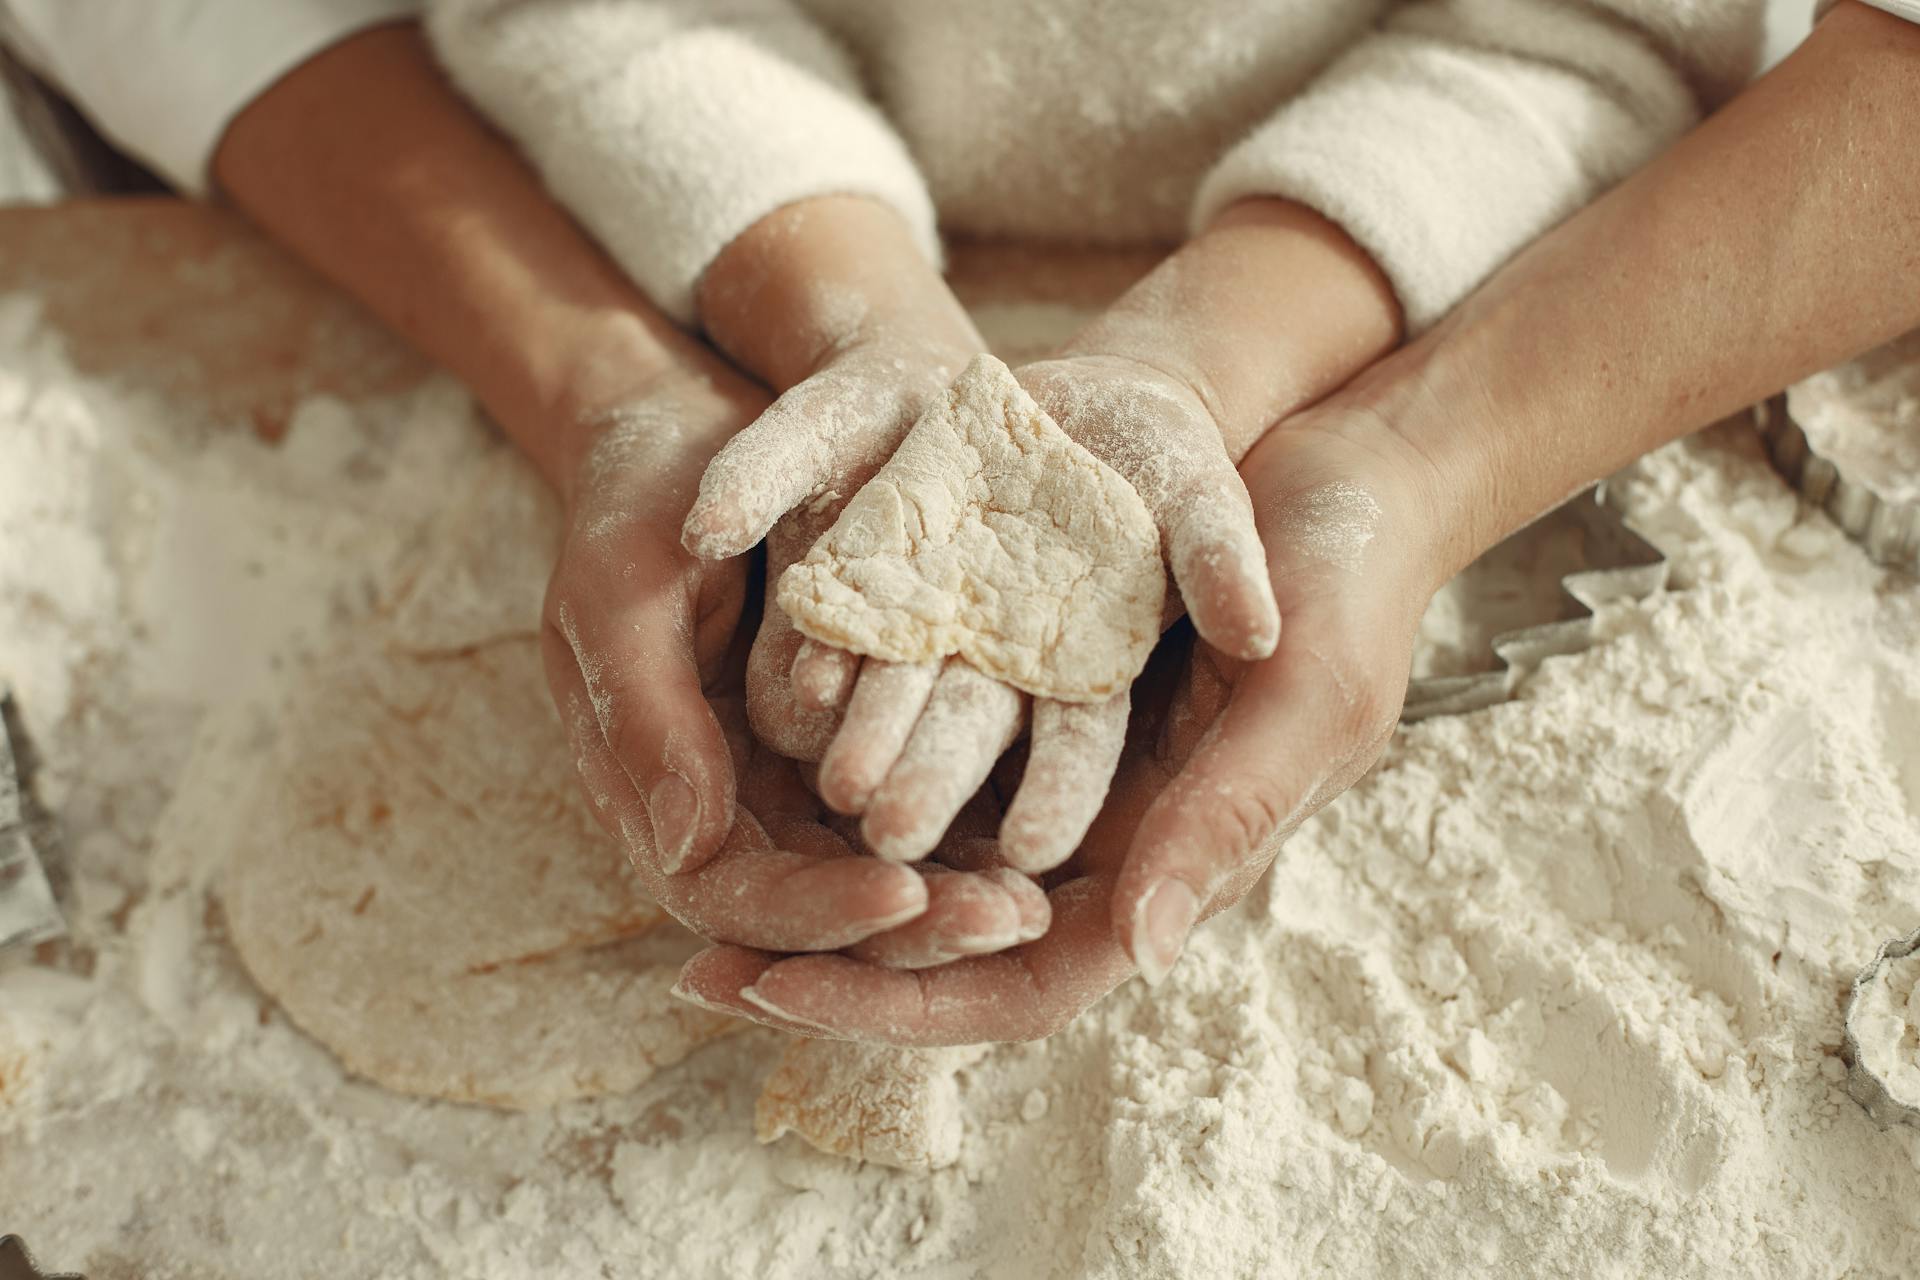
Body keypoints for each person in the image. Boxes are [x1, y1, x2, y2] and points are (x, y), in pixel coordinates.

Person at [3, 1, 1914, 1045]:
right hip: (688, 208)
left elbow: (1587, 28)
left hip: (1448, 238)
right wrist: (838, 319)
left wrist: (1244, 364)